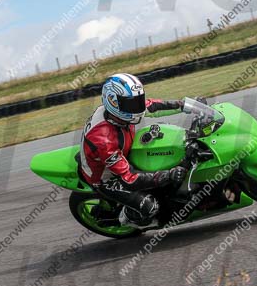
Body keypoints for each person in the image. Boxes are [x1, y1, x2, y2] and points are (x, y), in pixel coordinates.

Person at [79, 73, 188, 228]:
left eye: (138, 100)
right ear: (113, 102)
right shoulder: (104, 139)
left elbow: (152, 105)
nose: (138, 107)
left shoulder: (121, 112)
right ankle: (124, 219)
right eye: (133, 103)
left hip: (121, 153)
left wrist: (184, 105)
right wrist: (167, 175)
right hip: (107, 177)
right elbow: (129, 178)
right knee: (151, 208)